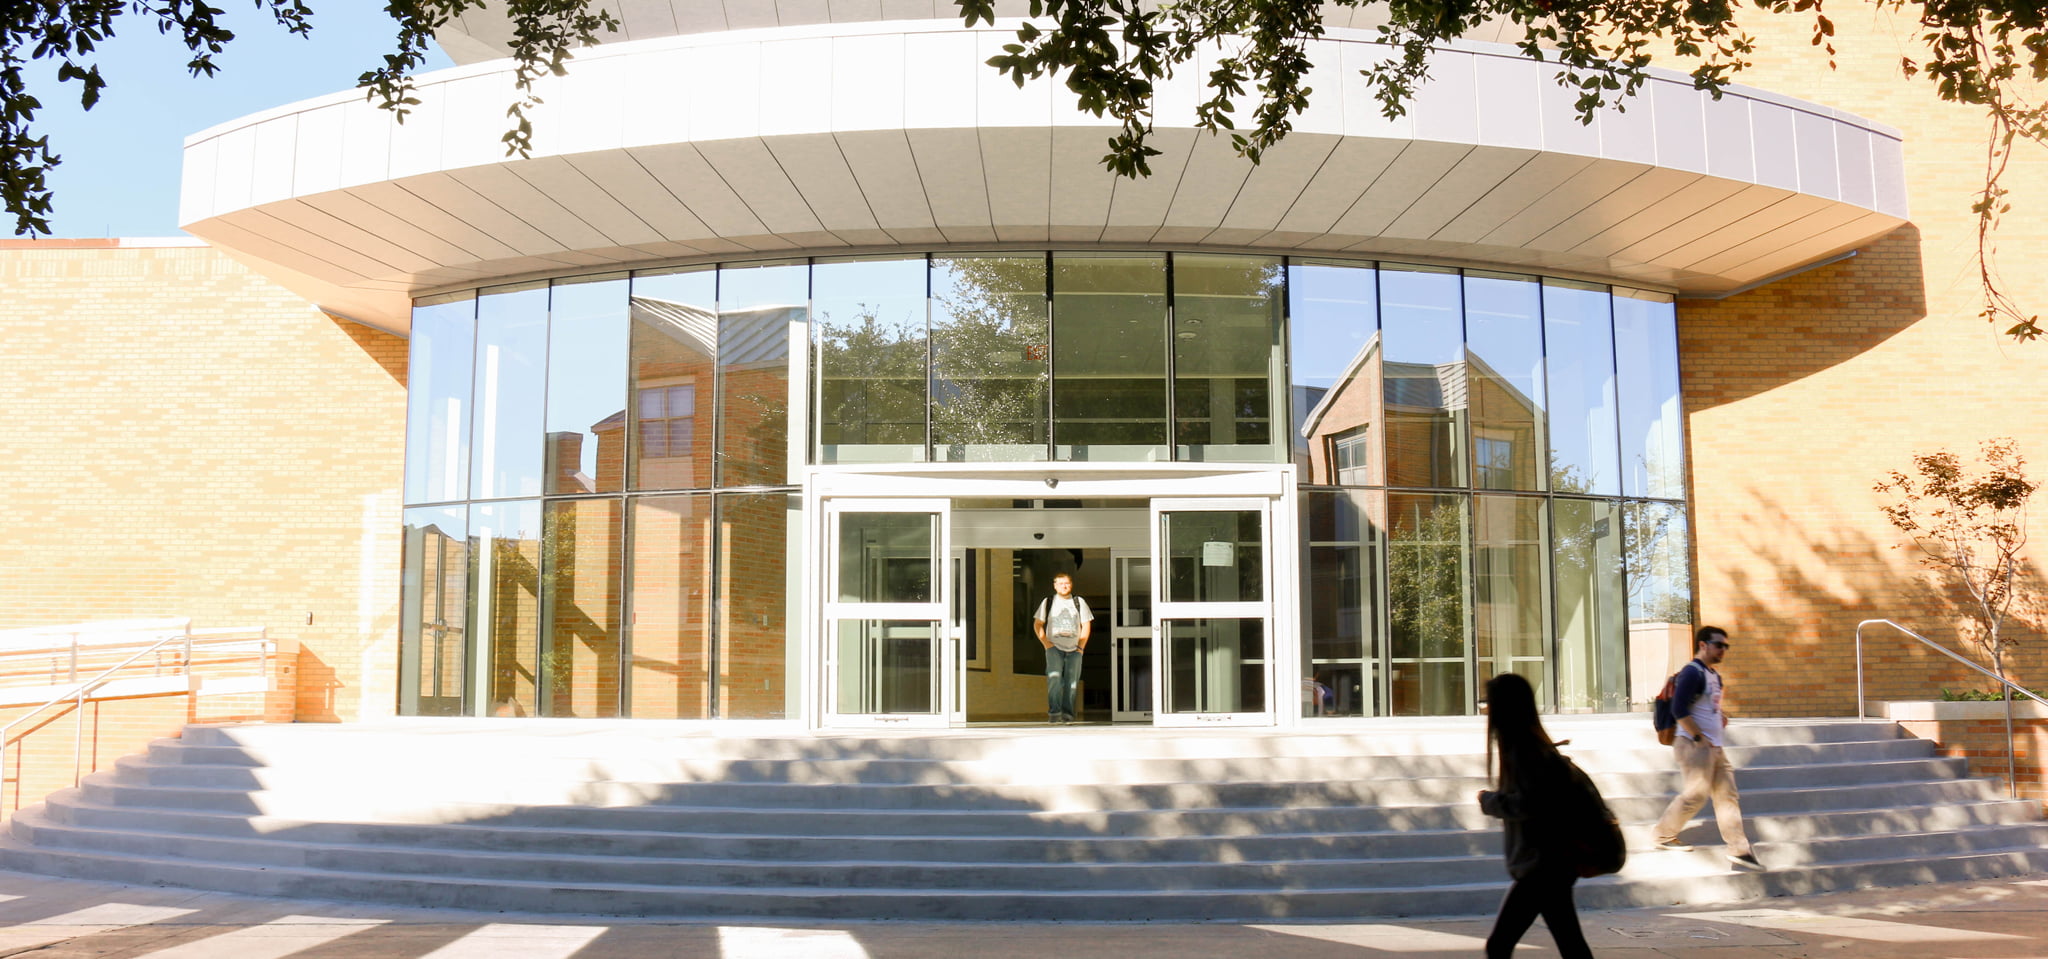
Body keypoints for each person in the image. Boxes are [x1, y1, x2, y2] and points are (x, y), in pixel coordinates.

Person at [1476, 672, 1594, 959]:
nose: (1486, 709)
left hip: (1541, 865)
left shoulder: (1524, 751)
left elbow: (1528, 803)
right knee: (1570, 943)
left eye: (1490, 702)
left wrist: (1489, 801)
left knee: (1500, 945)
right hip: (1553, 863)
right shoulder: (1534, 746)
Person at [1652, 625, 1762, 870]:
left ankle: (1739, 850)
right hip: (1693, 744)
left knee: (1727, 795)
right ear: (1703, 645)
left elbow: (1705, 706)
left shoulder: (1713, 675)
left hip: (1713, 746)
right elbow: (1678, 709)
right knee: (1696, 794)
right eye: (1719, 645)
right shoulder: (1692, 672)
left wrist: (1720, 717)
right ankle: (1662, 834)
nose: (1723, 650)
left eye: (1726, 646)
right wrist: (1699, 737)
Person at [1033, 572, 1092, 724]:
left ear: (1071, 584)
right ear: (1055, 585)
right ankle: (1054, 713)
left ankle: (1068, 715)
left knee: (1072, 682)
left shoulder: (1079, 602)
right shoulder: (1049, 602)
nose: (1064, 586)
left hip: (1074, 649)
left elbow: (1086, 625)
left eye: (1067, 583)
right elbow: (1038, 624)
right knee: (1054, 680)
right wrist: (1046, 643)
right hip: (1054, 648)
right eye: (1060, 583)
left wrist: (1081, 647)